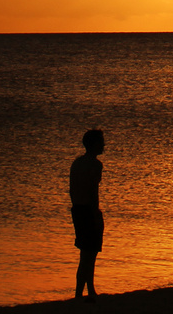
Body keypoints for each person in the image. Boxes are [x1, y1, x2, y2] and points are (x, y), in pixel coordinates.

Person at [69, 129, 105, 302]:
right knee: (89, 254)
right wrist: (95, 213)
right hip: (87, 209)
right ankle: (82, 292)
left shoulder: (77, 163)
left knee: (86, 252)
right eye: (101, 141)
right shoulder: (95, 165)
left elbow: (73, 190)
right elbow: (92, 190)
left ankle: (85, 290)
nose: (104, 145)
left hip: (77, 208)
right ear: (94, 144)